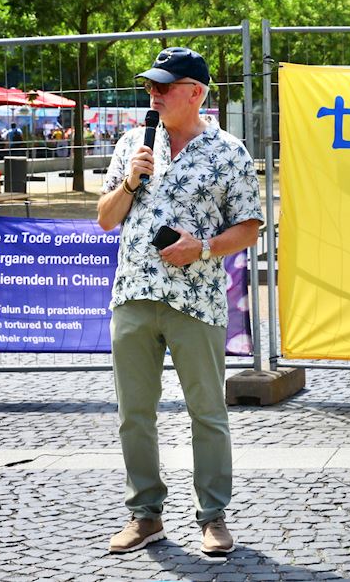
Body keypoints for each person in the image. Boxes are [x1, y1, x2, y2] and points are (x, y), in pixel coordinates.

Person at [97, 46, 262, 558]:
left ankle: (213, 517)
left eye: (164, 87)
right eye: (150, 86)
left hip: (197, 300)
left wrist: (203, 247)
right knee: (134, 413)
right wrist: (130, 181)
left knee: (207, 412)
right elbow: (105, 218)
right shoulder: (132, 143)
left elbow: (249, 228)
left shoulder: (229, 152)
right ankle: (145, 515)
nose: (154, 95)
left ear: (196, 93)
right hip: (133, 294)